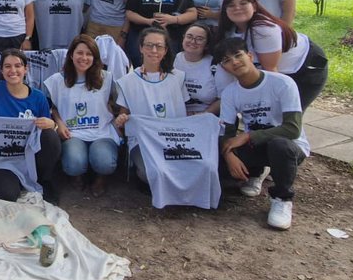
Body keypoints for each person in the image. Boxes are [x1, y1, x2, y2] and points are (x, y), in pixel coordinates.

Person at [215, 38, 310, 231]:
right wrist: (228, 154)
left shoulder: (282, 83)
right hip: (257, 145)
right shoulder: (230, 93)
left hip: (289, 146)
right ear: (224, 67)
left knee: (279, 145)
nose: (234, 62)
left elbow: (292, 128)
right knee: (219, 164)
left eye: (238, 55)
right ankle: (257, 172)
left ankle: (282, 199)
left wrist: (248, 136)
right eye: (226, 60)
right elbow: (227, 133)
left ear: (249, 56)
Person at [0, 49, 62, 202]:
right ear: (1, 70)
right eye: (7, 66)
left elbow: (46, 129)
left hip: (30, 156)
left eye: (18, 66)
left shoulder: (39, 97)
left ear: (25, 69)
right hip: (3, 160)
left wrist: (52, 123)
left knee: (50, 136)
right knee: (6, 195)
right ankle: (9, 180)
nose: (13, 70)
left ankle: (44, 179)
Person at [218, 0, 327, 111]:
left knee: (284, 116)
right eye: (231, 5)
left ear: (254, 6)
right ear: (225, 10)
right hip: (282, 71)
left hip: (306, 68)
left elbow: (271, 72)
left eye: (243, 3)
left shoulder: (263, 30)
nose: (237, 8)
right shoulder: (231, 31)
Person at [45, 35, 120, 193]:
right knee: (74, 163)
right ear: (71, 55)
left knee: (104, 162)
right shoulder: (56, 80)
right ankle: (77, 176)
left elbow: (118, 104)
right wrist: (59, 122)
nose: (84, 58)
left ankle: (100, 178)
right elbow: (51, 107)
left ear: (95, 57)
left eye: (89, 54)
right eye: (80, 53)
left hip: (101, 133)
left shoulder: (107, 78)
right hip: (73, 134)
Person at [114, 25, 188, 185]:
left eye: (159, 46)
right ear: (140, 48)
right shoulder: (128, 81)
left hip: (174, 138)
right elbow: (123, 114)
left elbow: (184, 112)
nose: (154, 50)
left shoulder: (178, 77)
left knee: (188, 168)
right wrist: (121, 118)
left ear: (166, 50)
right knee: (154, 173)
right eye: (149, 45)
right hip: (144, 141)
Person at [173, 22, 231, 115]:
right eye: (189, 36)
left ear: (207, 45)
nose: (193, 41)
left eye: (199, 39)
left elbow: (225, 98)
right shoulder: (173, 60)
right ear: (183, 38)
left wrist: (202, 115)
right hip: (176, 114)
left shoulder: (215, 65)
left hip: (207, 116)